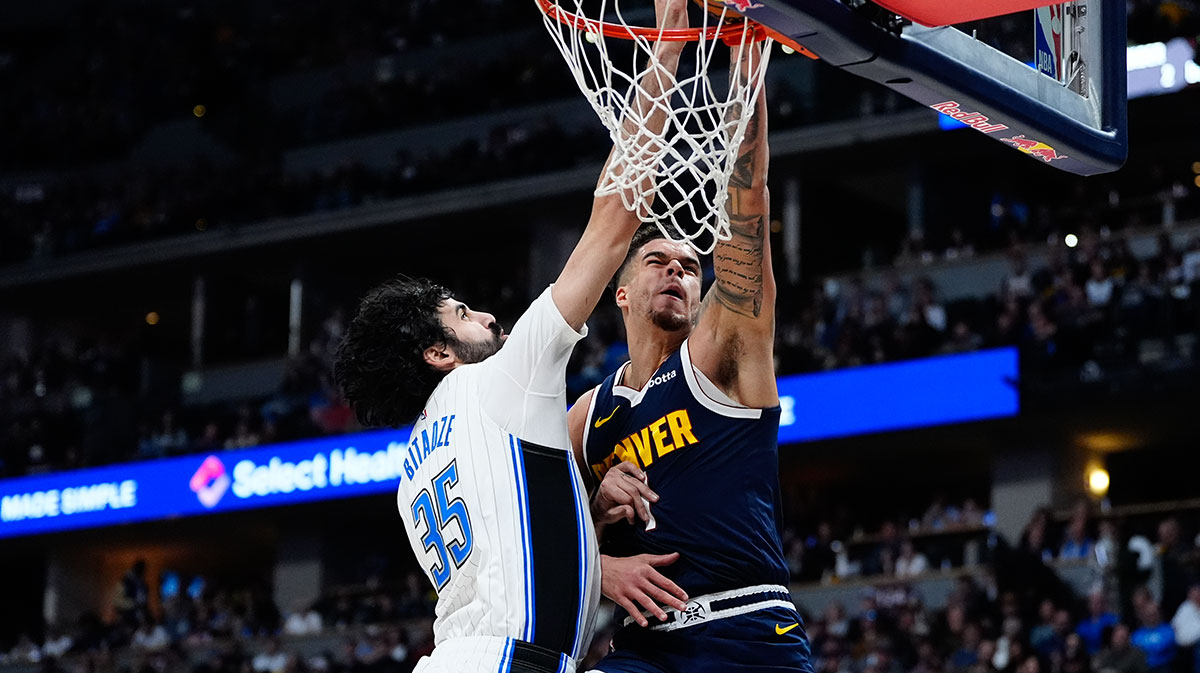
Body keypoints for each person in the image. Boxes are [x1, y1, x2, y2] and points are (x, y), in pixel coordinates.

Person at [332, 1, 690, 670]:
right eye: (464, 314)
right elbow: (615, 219)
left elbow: (516, 547)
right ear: (438, 353)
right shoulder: (496, 381)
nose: (490, 319)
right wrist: (667, 50)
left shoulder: (413, 472)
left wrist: (587, 517)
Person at [567, 33, 812, 673]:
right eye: (658, 260)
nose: (678, 269)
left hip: (747, 630)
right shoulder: (586, 417)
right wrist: (596, 536)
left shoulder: (724, 353)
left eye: (690, 266)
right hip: (644, 644)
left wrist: (746, 53)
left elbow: (747, 203)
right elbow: (530, 541)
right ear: (620, 293)